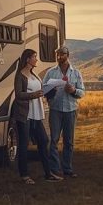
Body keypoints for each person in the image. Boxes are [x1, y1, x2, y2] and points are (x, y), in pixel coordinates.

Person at [11, 48, 62, 184]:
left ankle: (48, 173)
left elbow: (41, 93)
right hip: (25, 115)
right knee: (23, 144)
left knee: (44, 141)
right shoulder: (20, 76)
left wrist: (50, 91)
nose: (36, 59)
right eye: (34, 57)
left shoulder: (34, 75)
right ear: (28, 59)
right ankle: (24, 175)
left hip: (36, 114)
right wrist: (34, 95)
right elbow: (18, 94)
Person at [42, 44, 85, 178]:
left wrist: (74, 91)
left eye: (62, 54)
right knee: (54, 140)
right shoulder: (51, 72)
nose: (59, 57)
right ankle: (55, 169)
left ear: (68, 55)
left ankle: (67, 169)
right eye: (58, 55)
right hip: (55, 109)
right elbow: (44, 90)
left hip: (70, 110)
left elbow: (82, 92)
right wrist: (50, 92)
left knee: (69, 141)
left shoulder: (76, 72)